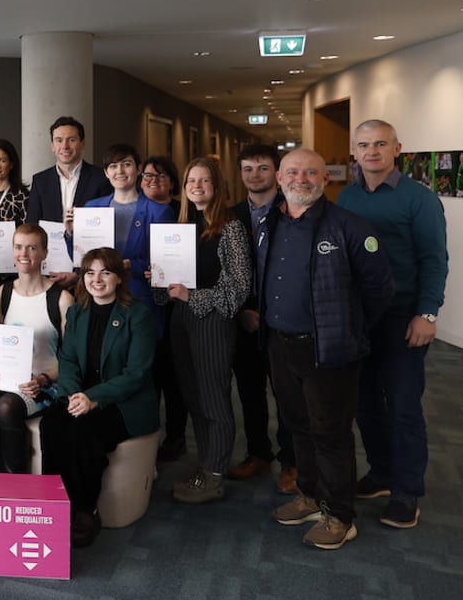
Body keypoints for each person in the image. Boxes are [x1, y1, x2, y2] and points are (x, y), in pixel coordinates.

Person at [259, 149, 393, 550]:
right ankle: (311, 495)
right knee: (297, 427)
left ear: (326, 179)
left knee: (330, 434)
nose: (302, 178)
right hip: (280, 345)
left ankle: (339, 515)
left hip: (329, 351)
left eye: (311, 172)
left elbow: (380, 288)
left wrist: (347, 326)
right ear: (280, 177)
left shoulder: (348, 226)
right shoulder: (271, 221)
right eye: (294, 171)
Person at [338, 119, 448, 529]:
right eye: (364, 145)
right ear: (355, 151)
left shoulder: (418, 199)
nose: (371, 152)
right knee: (365, 404)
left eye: (380, 144)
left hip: (404, 318)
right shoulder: (346, 197)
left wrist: (428, 313)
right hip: (359, 318)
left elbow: (435, 260)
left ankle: (406, 491)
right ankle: (382, 473)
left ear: (396, 148)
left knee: (403, 406)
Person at [40, 247, 157, 548]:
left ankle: (85, 509)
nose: (97, 279)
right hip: (81, 395)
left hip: (124, 402)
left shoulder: (138, 315)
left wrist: (91, 398)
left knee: (84, 431)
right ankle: (56, 501)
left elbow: (137, 373)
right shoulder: (78, 312)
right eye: (90, 272)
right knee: (52, 423)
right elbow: (67, 360)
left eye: (105, 272)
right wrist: (72, 396)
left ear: (119, 278)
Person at [158, 157, 251, 504]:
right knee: (193, 397)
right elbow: (170, 282)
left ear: (217, 187)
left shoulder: (231, 227)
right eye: (190, 181)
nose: (197, 186)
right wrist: (160, 280)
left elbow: (239, 287)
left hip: (212, 320)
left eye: (204, 181)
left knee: (213, 399)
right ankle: (206, 465)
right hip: (180, 319)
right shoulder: (181, 224)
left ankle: (215, 474)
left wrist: (192, 295)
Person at [0, 224, 73, 481]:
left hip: (45, 384)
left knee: (7, 406)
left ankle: (14, 486)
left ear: (44, 253)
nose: (24, 253)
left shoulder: (61, 298)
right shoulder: (2, 293)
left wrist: (44, 379)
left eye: (32, 247)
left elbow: (71, 359)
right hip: (8, 380)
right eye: (19, 247)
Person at [227, 144, 294, 489]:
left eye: (263, 168)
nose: (255, 175)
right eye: (248, 169)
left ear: (277, 173)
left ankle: (291, 461)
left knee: (287, 394)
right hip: (244, 320)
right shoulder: (230, 215)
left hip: (283, 322)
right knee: (250, 392)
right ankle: (258, 453)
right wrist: (241, 310)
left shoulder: (293, 212)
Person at [82, 145, 174, 317]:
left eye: (126, 164)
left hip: (138, 299)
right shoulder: (92, 207)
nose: (120, 171)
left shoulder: (159, 212)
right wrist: (72, 233)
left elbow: (167, 265)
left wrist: (132, 265)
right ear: (106, 172)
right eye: (113, 166)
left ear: (139, 169)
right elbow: (83, 257)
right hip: (97, 297)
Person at [25, 116, 113, 286]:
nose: (64, 146)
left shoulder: (100, 179)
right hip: (46, 272)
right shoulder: (40, 180)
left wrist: (79, 273)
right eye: (59, 140)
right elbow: (32, 226)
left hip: (89, 275)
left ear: (82, 143)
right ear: (52, 146)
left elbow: (104, 234)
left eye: (71, 140)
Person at [141, 155, 188, 462]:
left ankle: (175, 436)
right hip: (143, 302)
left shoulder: (180, 215)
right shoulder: (134, 211)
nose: (152, 181)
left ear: (172, 182)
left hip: (173, 308)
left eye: (160, 177)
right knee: (148, 375)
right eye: (147, 176)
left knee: (172, 377)